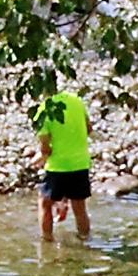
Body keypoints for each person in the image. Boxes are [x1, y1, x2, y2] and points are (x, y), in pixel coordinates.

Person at [33, 84, 94, 239]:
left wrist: (40, 158)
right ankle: (85, 240)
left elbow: (45, 149)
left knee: (45, 203)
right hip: (81, 163)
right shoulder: (76, 101)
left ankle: (46, 242)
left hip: (57, 167)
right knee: (80, 208)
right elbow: (89, 128)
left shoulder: (44, 110)